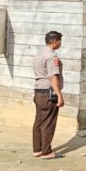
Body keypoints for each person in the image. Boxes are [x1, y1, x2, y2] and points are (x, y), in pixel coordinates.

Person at [32, 30, 64, 159]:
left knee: (39, 121)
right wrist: (59, 95)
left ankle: (37, 149)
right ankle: (46, 151)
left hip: (38, 91)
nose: (61, 44)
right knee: (48, 122)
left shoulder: (39, 54)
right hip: (49, 92)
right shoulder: (51, 56)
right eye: (60, 41)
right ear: (55, 41)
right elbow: (52, 77)